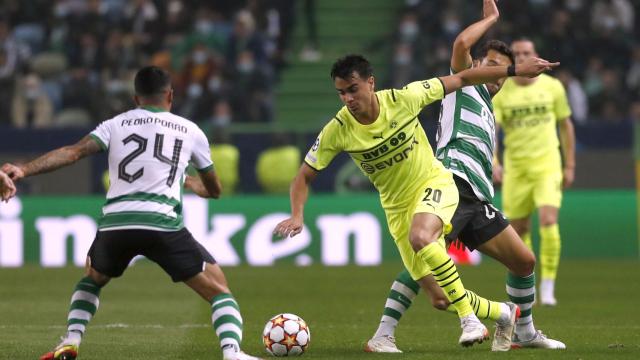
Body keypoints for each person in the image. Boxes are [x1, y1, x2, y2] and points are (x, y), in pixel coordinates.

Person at [273, 51, 558, 347]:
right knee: (438, 296)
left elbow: (461, 77)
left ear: (371, 83)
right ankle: (501, 312)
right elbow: (303, 177)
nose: (347, 99)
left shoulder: (404, 98)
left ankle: (469, 319)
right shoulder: (339, 129)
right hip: (397, 208)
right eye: (341, 93)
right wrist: (297, 214)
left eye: (353, 89)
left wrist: (514, 71)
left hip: (434, 184)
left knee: (421, 237)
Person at [1, 66, 261, 360]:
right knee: (219, 290)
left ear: (136, 98)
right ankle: (231, 352)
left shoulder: (114, 125)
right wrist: (192, 184)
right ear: (171, 96)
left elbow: (73, 152)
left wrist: (23, 169)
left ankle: (71, 340)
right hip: (162, 223)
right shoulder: (190, 130)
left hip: (116, 225)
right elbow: (214, 188)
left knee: (93, 277)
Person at [365, 0, 566, 353]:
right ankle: (383, 333)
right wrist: (491, 19)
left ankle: (524, 330)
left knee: (523, 260)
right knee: (427, 252)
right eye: (490, 66)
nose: (496, 76)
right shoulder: (464, 84)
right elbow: (460, 47)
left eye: (501, 72)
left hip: (478, 196)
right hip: (451, 184)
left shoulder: (490, 105)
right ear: (476, 66)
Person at [492, 38, 576, 306]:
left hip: (547, 164)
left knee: (549, 220)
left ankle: (548, 287)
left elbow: (566, 126)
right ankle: (528, 284)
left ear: (535, 55)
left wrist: (569, 164)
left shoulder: (553, 87)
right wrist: (494, 161)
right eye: (516, 54)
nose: (522, 56)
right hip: (516, 168)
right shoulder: (503, 91)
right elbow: (492, 129)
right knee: (518, 230)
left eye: (526, 52)